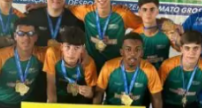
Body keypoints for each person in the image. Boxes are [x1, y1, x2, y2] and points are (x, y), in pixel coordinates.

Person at [26, 0, 178, 71]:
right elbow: (62, 4)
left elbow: (145, 21)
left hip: (115, 67)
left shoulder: (123, 14)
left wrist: (168, 24)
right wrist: (41, 5)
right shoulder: (85, 11)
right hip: (90, 65)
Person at [25, 0, 85, 105]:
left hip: (61, 72)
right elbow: (24, 40)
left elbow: (81, 44)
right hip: (35, 70)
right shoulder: (33, 15)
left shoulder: (73, 18)